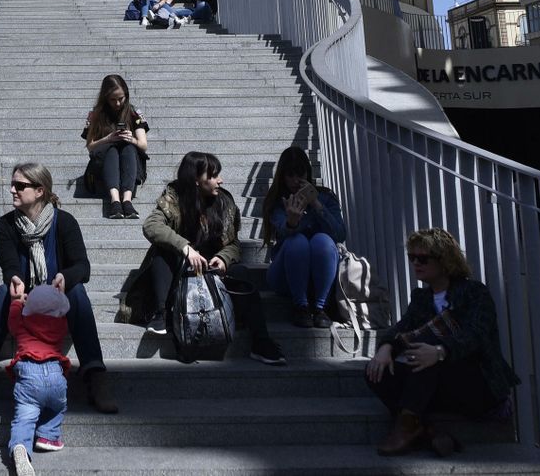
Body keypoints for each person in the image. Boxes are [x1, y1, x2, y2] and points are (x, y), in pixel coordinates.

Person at [0, 163, 117, 416]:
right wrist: (14, 279)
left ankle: (96, 375)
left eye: (20, 186)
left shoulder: (64, 222)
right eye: (12, 185)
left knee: (78, 292)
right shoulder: (5, 226)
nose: (12, 190)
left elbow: (83, 266)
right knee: (2, 292)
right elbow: (9, 265)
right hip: (23, 298)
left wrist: (65, 277)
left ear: (40, 190)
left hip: (57, 297)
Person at [115, 151, 286, 364]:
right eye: (213, 176)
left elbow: (233, 244)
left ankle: (261, 342)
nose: (220, 180)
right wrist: (185, 248)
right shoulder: (174, 196)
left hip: (212, 273)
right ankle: (161, 315)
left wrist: (223, 258)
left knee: (241, 273)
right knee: (164, 252)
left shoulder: (224, 201)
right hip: (180, 271)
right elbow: (151, 225)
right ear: (196, 180)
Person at [364, 227, 521, 456]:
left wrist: (439, 351)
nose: (416, 263)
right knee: (374, 371)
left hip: (478, 383)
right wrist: (386, 347)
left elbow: (475, 335)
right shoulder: (421, 299)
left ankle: (407, 427)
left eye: (423, 258)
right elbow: (401, 329)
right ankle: (426, 430)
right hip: (439, 384)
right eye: (412, 258)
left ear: (445, 260)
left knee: (427, 343)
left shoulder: (474, 292)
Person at [262, 145, 347, 328]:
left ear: (308, 173)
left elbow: (340, 234)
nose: (295, 181)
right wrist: (292, 222)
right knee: (297, 241)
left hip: (322, 271)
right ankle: (300, 306)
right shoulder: (278, 201)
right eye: (290, 175)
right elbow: (282, 231)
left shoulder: (325, 197)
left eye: (300, 174)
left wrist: (316, 204)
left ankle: (319, 307)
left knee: (322, 240)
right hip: (285, 274)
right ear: (282, 176)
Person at [5, 285, 71, 476]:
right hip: (54, 373)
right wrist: (59, 294)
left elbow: (12, 322)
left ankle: (20, 447)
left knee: (24, 418)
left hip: (28, 371)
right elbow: (61, 310)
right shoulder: (60, 325)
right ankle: (48, 435)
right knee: (57, 407)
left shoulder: (22, 321)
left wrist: (17, 301)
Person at [83, 74, 149, 219]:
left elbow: (143, 146)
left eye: (121, 98)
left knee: (128, 147)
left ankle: (127, 200)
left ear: (126, 95)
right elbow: (90, 146)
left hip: (130, 158)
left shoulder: (133, 112)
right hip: (104, 160)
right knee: (111, 149)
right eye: (113, 99)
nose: (118, 103)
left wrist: (131, 138)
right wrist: (107, 139)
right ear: (105, 98)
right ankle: (115, 201)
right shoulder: (96, 114)